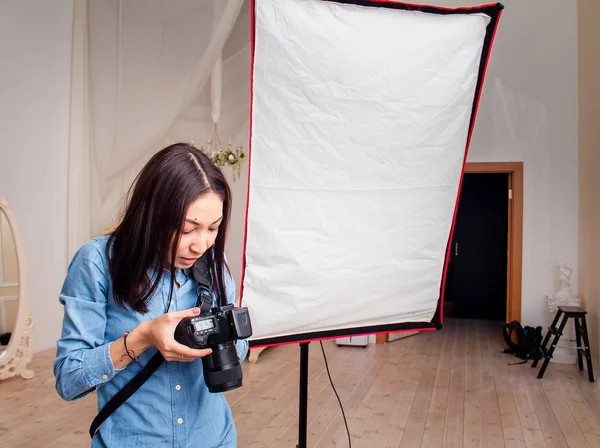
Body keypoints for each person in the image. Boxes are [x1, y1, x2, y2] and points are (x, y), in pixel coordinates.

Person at [53, 143, 248, 447]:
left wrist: (225, 338)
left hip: (214, 438)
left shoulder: (213, 265)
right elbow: (69, 378)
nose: (201, 245)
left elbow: (240, 349)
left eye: (213, 228)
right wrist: (142, 338)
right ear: (152, 214)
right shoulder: (97, 264)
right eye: (187, 229)